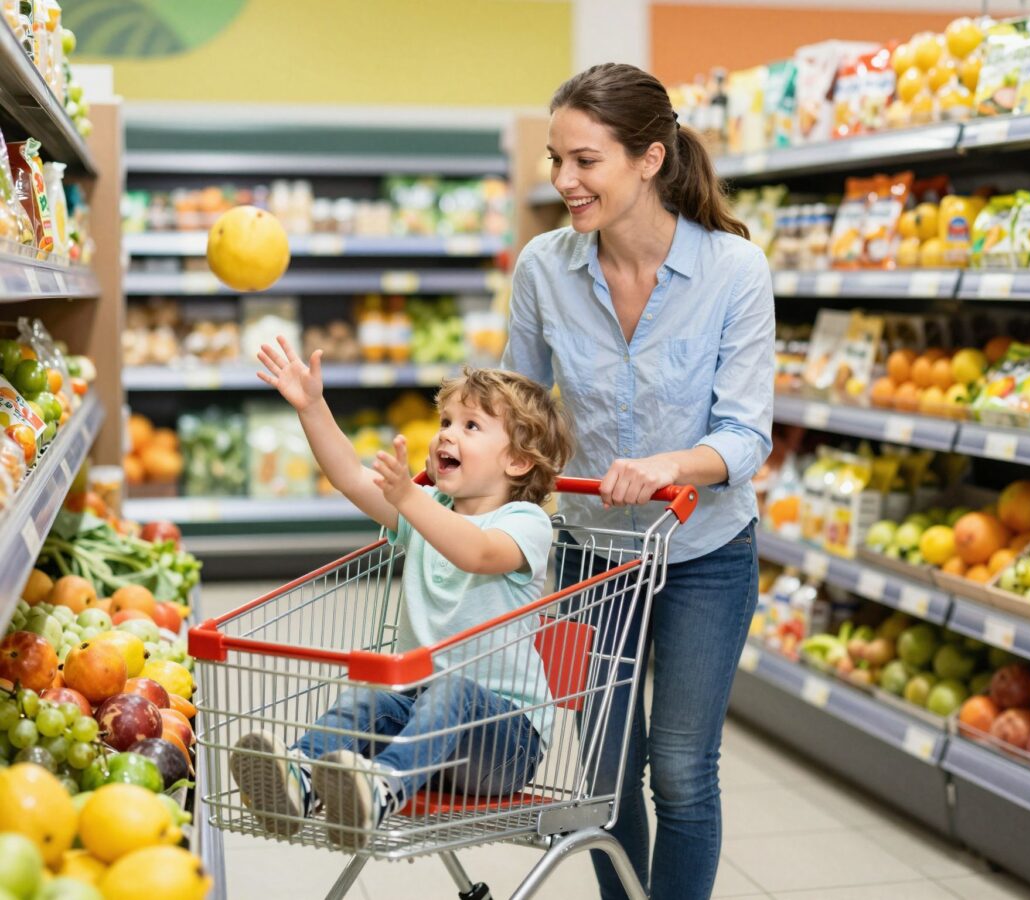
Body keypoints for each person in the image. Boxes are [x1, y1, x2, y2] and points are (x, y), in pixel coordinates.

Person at [502, 63, 774, 900]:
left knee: (683, 772)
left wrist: (669, 464)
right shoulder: (544, 268)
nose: (564, 181)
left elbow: (746, 434)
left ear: (650, 159)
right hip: (588, 563)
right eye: (556, 160)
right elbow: (517, 407)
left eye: (586, 161)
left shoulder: (733, 271)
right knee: (608, 780)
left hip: (704, 553)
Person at [231, 345, 574, 850]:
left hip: (504, 741)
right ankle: (300, 781)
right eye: (445, 421)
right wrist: (311, 407)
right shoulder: (426, 507)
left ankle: (380, 787)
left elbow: (476, 553)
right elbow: (349, 476)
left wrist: (409, 499)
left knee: (453, 690)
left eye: (471, 426)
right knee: (368, 698)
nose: (446, 435)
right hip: (424, 726)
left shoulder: (525, 523)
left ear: (520, 461)